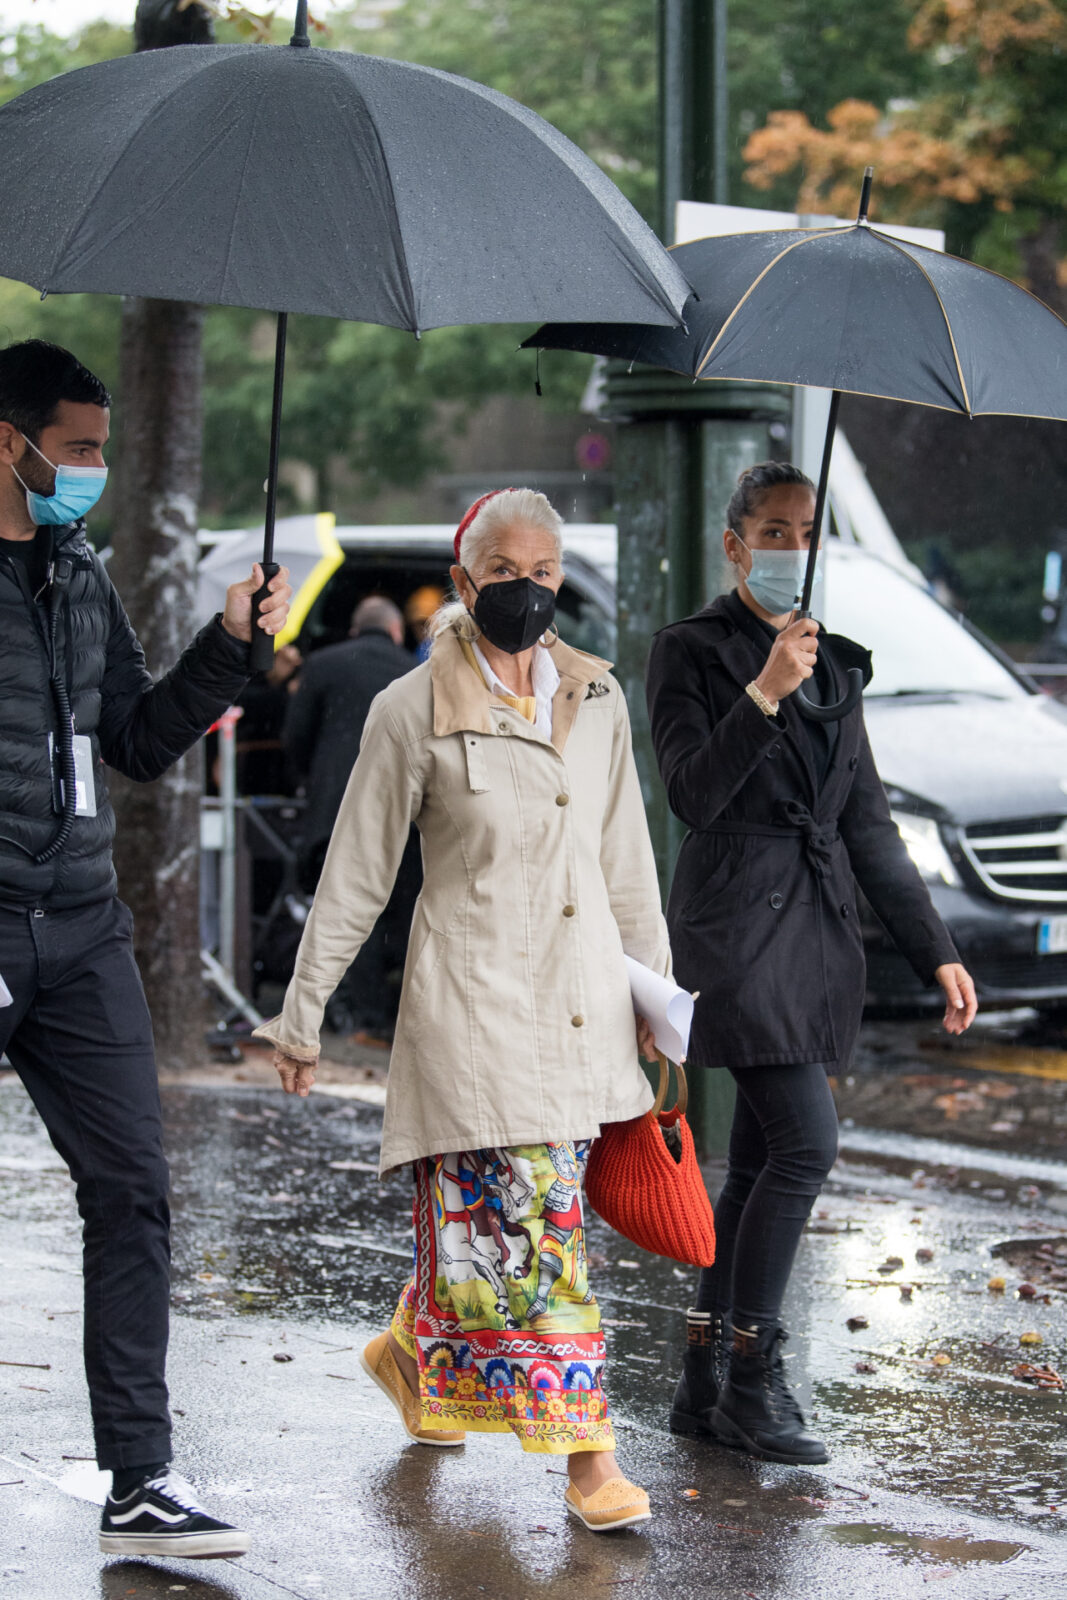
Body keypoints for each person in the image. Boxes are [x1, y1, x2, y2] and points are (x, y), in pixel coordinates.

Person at [255, 488, 668, 1533]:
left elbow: (626, 866)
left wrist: (657, 1005)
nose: (526, 589)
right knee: (541, 1241)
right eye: (505, 569)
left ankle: (411, 1355)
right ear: (465, 571)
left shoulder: (595, 698)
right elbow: (354, 873)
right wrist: (300, 1015)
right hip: (475, 1017)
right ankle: (589, 1461)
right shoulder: (412, 707)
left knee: (503, 1236)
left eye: (543, 571)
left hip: (580, 1017)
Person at [0, 339, 291, 1558]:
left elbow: (131, 739)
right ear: (5, 441)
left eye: (102, 452)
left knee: (133, 1190)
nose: (92, 472)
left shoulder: (75, 573)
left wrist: (228, 646)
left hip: (79, 925)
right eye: (74, 450)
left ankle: (141, 1478)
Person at [646, 461, 977, 1466]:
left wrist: (935, 951)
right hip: (735, 933)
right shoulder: (689, 652)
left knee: (756, 1164)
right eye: (772, 530)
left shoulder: (833, 664)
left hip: (815, 934)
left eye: (803, 530)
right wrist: (759, 694)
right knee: (804, 1145)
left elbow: (866, 822)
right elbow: (691, 797)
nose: (791, 546)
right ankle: (754, 1375)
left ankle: (703, 1375)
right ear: (734, 544)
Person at [283, 595, 418, 1041]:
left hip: (335, 809)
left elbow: (295, 739)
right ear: (397, 631)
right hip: (407, 815)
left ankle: (366, 1015)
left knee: (351, 913)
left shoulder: (322, 665)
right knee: (405, 913)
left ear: (355, 631)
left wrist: (316, 780)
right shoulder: (416, 672)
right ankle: (406, 1016)